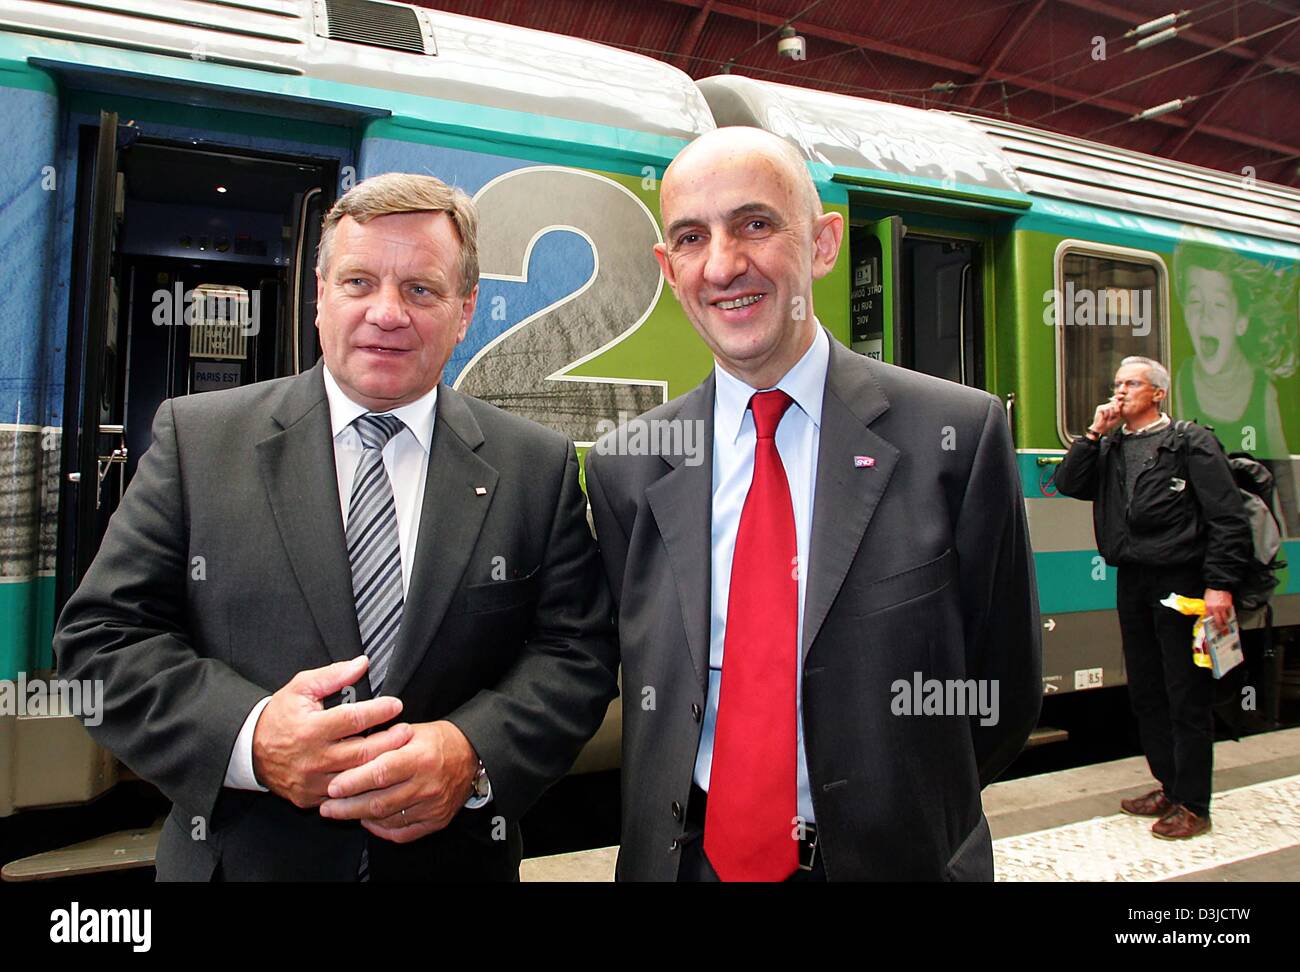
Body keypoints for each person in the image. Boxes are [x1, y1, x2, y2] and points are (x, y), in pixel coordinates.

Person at [54, 173, 618, 880]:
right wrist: (251, 737)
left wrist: (472, 752)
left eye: (421, 289)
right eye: (358, 282)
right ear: (319, 295)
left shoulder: (536, 467)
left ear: (466, 309)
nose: (387, 312)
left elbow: (576, 654)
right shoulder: (199, 442)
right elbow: (99, 645)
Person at [584, 127, 1041, 882]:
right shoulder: (626, 468)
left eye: (756, 224)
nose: (725, 265)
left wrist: (901, 821)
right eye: (692, 238)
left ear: (825, 244)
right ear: (669, 270)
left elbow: (1002, 690)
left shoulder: (955, 436)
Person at [1054, 356, 1252, 839]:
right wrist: (1094, 434)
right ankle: (1168, 785)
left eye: (1131, 384)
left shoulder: (1190, 443)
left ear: (1157, 394)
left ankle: (1194, 805)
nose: (1119, 392)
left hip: (1181, 580)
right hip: (1134, 580)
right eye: (1116, 383)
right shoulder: (1114, 444)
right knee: (1147, 691)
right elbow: (1068, 484)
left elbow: (1227, 519)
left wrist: (1219, 585)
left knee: (1184, 693)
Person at [1171, 240, 1294, 460]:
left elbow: (1282, 470)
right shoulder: (1181, 381)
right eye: (1196, 301)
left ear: (1241, 322)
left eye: (1219, 304)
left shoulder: (1263, 391)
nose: (1205, 315)